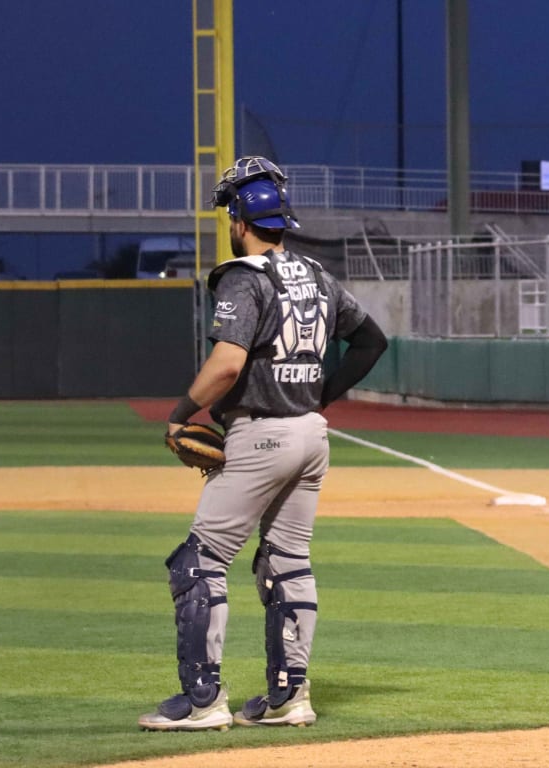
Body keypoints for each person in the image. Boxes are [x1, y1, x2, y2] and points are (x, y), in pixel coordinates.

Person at [137, 157, 388, 731]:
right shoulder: (319, 276)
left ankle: (203, 704)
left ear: (240, 217)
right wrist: (319, 395)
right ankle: (289, 698)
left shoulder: (243, 277)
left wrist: (179, 415)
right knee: (288, 563)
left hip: (260, 434)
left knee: (199, 562)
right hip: (310, 436)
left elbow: (226, 366)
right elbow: (372, 341)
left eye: (229, 211)